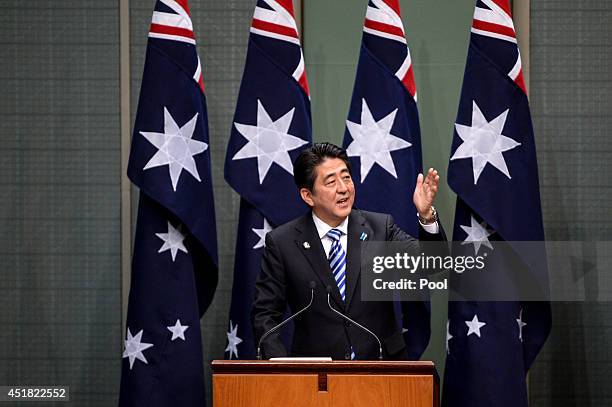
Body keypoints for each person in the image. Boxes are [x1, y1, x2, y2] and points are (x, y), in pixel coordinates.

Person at [251, 142, 446, 360]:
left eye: (346, 177)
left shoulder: (380, 229)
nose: (343, 188)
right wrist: (281, 370)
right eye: (331, 181)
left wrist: (427, 215)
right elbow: (265, 314)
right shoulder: (283, 242)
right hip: (315, 378)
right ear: (308, 196)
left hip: (382, 370)